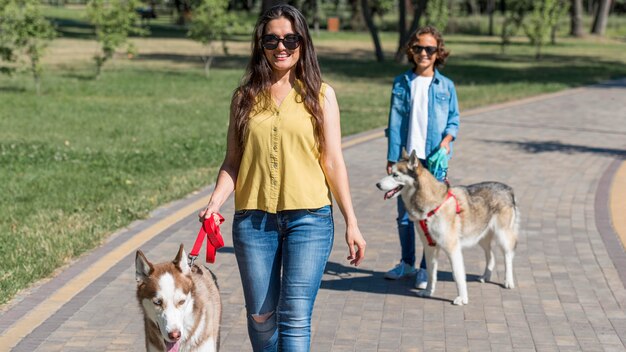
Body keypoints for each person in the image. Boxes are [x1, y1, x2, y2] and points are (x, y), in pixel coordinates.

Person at [198, 5, 366, 351]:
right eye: (272, 39)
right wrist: (214, 202)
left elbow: (333, 161)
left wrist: (352, 221)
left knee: (294, 317)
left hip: (310, 219)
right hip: (253, 221)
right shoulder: (244, 98)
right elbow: (233, 162)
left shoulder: (320, 95)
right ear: (261, 45)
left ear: (303, 42)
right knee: (261, 318)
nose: (281, 47)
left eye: (290, 38)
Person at [384, 26, 460, 289]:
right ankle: (406, 262)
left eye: (430, 49)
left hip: (432, 162)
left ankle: (427, 269)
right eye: (419, 48)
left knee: (430, 216)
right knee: (405, 216)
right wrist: (392, 158)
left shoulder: (446, 86)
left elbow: (454, 120)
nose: (424, 53)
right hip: (406, 161)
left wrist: (446, 143)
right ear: (411, 51)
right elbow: (394, 123)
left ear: (438, 53)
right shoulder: (402, 83)